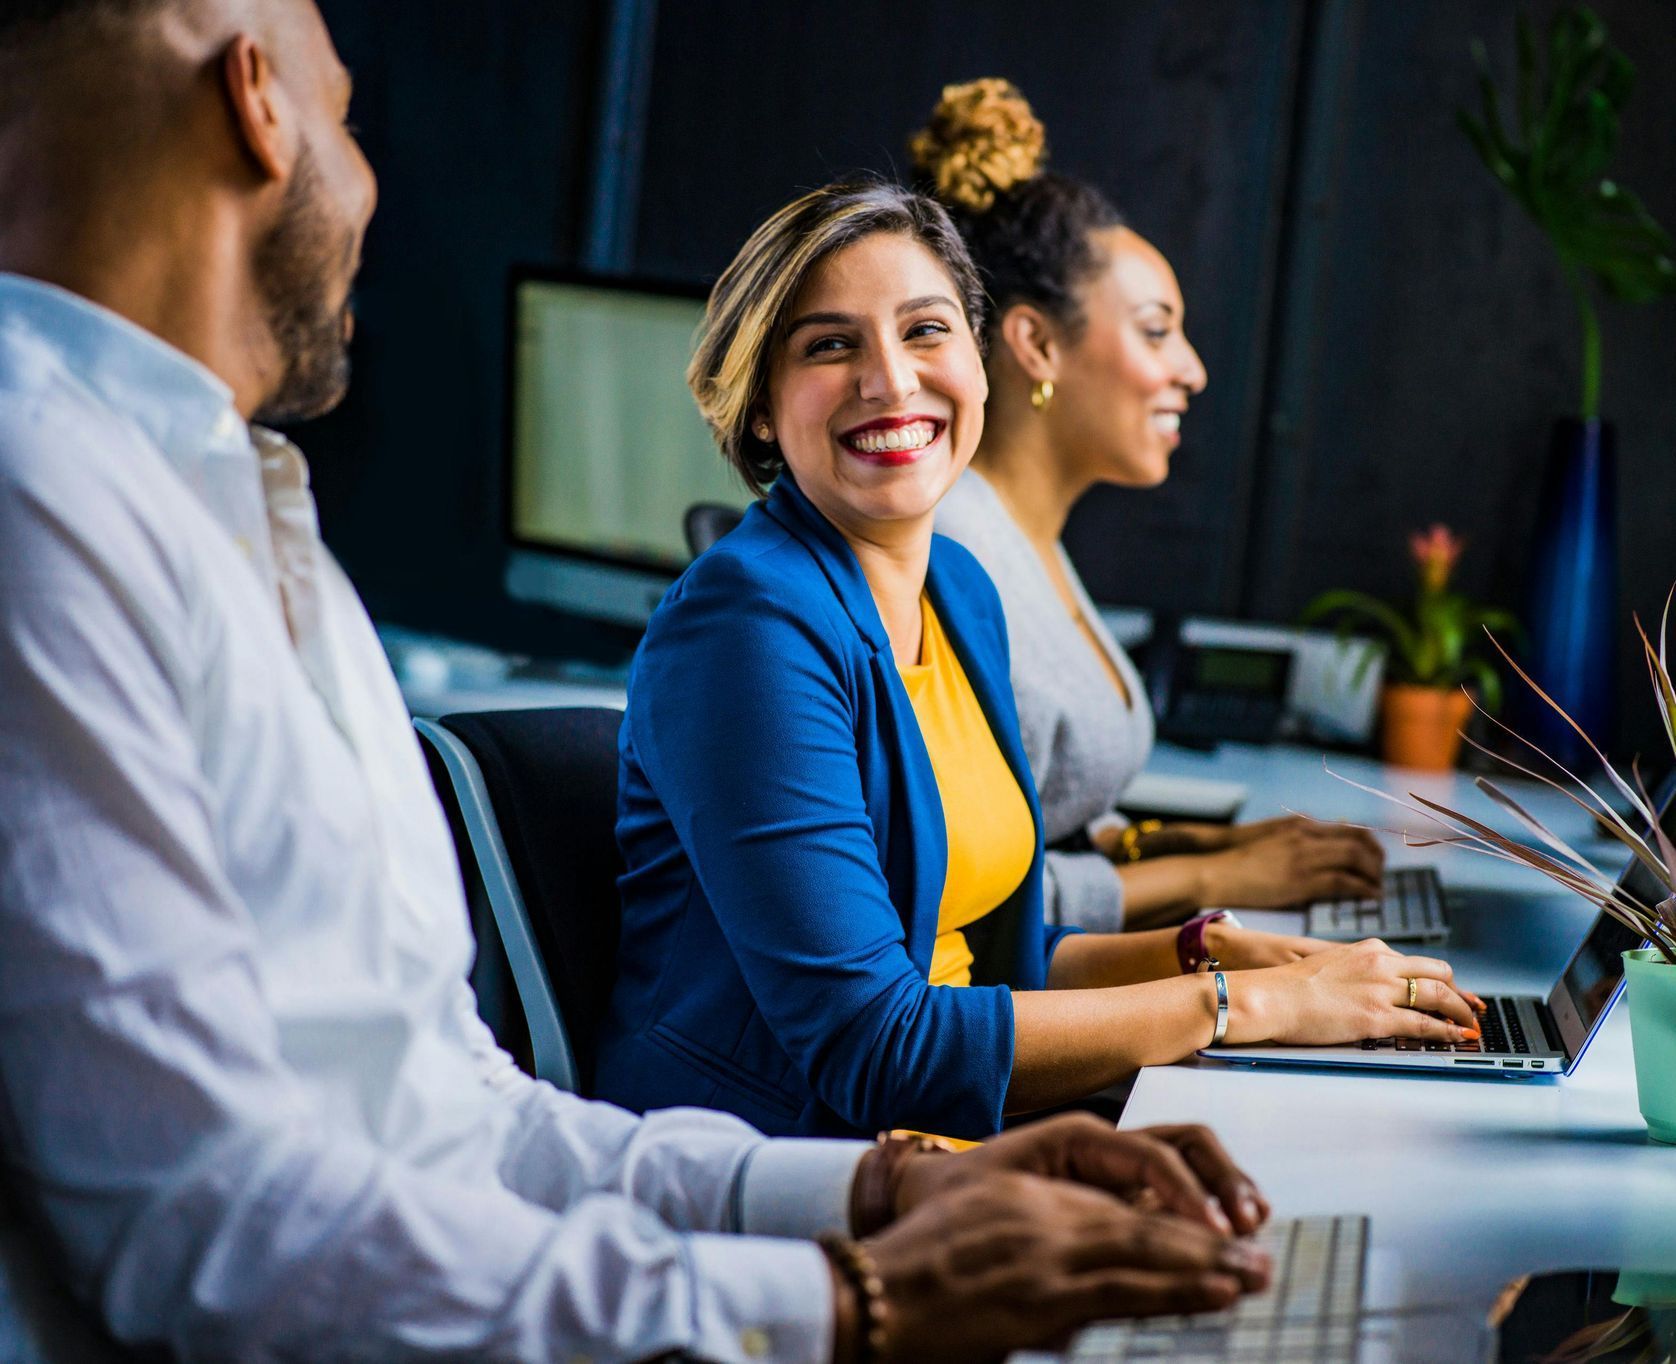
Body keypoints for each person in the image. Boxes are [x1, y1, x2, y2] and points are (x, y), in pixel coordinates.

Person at [0, 3, 1282, 1359]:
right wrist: (858, 1296)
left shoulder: (237, 504)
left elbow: (457, 1119)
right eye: (348, 116)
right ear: (260, 105)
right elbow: (214, 1234)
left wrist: (890, 1193)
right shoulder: (46, 500)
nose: (368, 183)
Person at [598, 178, 1484, 1144]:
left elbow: (991, 964)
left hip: (951, 1140)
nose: (891, 380)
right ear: (762, 407)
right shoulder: (747, 627)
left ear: (980, 363)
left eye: (926, 330)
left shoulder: (961, 591)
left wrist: (1207, 952)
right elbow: (874, 1045)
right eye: (829, 345)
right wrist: (1245, 1006)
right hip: (783, 1170)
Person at [916, 80, 1388, 933]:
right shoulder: (956, 557)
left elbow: (1047, 824)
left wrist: (1200, 848)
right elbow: (967, 904)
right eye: (1156, 329)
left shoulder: (1027, 540)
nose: (1193, 370)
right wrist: (1217, 879)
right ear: (1037, 343)